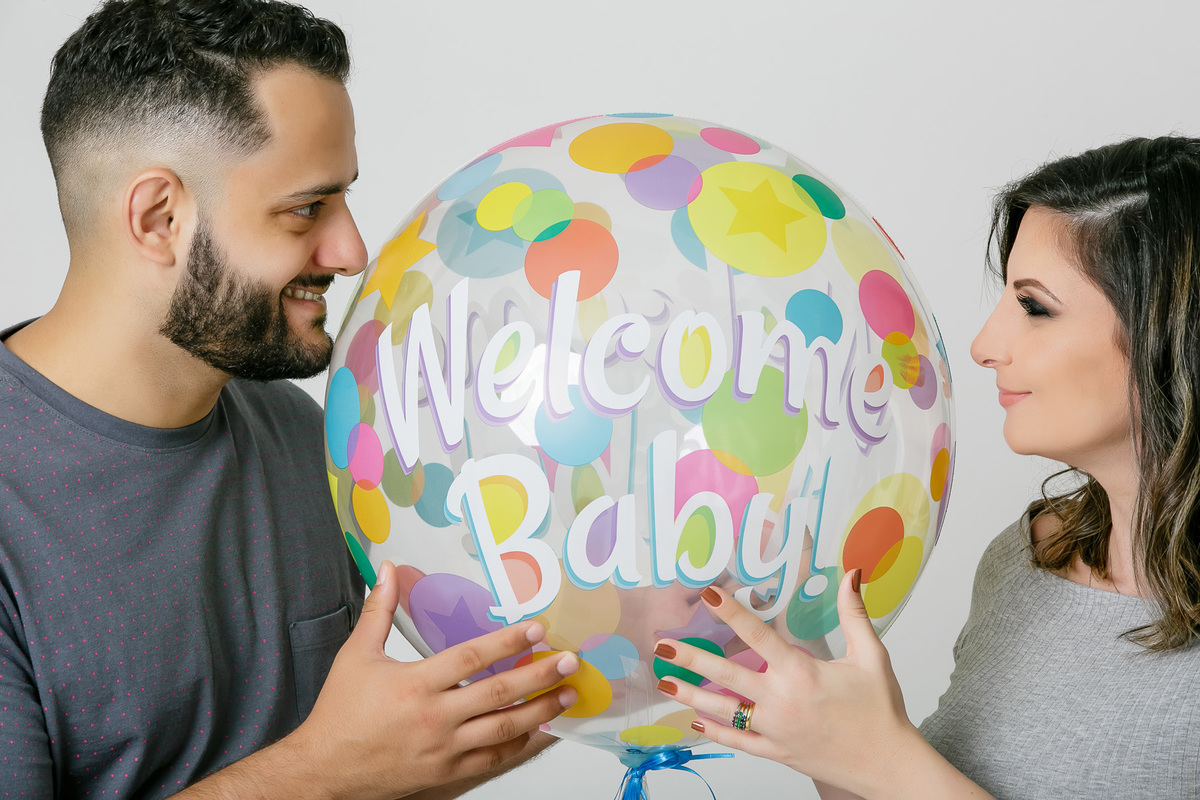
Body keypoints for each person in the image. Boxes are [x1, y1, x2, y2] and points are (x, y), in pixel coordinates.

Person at [0, 1, 580, 798]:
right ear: (159, 218)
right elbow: (329, 771)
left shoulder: (306, 435)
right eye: (307, 208)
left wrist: (481, 728)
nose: (352, 252)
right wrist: (327, 771)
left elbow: (352, 770)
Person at [650, 135, 1200, 799]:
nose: (984, 345)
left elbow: (901, 776)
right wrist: (809, 667)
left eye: (1034, 307)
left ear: (1172, 332)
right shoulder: (1028, 557)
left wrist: (884, 756)